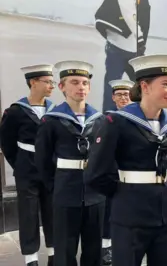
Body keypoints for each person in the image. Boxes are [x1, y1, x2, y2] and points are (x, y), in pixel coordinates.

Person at [84, 54, 167, 266]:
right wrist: (123, 193)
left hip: (166, 215)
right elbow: (95, 173)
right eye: (165, 84)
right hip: (130, 216)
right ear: (145, 86)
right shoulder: (116, 122)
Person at [35, 61, 105, 266]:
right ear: (62, 87)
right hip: (65, 191)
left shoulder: (100, 120)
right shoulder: (51, 120)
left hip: (95, 194)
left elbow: (106, 156)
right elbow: (42, 160)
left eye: (85, 83)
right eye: (74, 82)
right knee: (65, 249)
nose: (81, 87)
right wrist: (55, 186)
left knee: (94, 248)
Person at [0, 64, 56, 266]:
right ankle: (31, 258)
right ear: (33, 82)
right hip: (27, 170)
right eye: (47, 82)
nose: (52, 86)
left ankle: (53, 253)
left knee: (52, 212)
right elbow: (6, 142)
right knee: (29, 214)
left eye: (52, 82)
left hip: (49, 170)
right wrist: (20, 164)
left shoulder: (54, 111)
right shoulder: (16, 111)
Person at [95, 0, 152, 111]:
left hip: (131, 48)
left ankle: (141, 114)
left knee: (143, 85)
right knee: (113, 85)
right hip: (119, 46)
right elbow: (129, 17)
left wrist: (140, 45)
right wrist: (140, 40)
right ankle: (109, 118)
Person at [100, 79, 134, 265]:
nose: (123, 98)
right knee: (108, 212)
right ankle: (106, 246)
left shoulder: (138, 119)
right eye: (119, 94)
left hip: (132, 175)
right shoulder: (106, 119)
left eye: (127, 94)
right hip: (112, 173)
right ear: (113, 97)